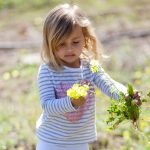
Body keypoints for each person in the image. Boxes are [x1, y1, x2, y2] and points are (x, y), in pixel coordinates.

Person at [36, 3, 130, 150]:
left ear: (85, 39)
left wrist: (127, 95)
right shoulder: (48, 70)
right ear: (50, 44)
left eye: (75, 42)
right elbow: (47, 106)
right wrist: (71, 103)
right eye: (61, 44)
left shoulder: (90, 67)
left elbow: (109, 85)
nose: (69, 49)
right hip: (51, 141)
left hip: (80, 141)